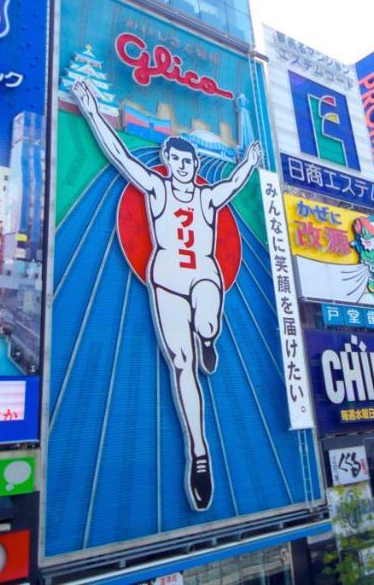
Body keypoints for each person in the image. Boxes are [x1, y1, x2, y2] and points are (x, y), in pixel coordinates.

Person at [72, 79, 263, 511]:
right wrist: (90, 109)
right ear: (167, 161)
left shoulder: (209, 197)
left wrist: (250, 160)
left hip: (204, 277)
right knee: (182, 364)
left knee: (208, 322)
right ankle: (199, 453)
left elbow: (235, 180)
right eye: (173, 158)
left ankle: (209, 336)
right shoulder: (155, 190)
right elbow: (120, 155)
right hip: (167, 280)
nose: (179, 165)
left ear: (193, 164)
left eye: (185, 159)